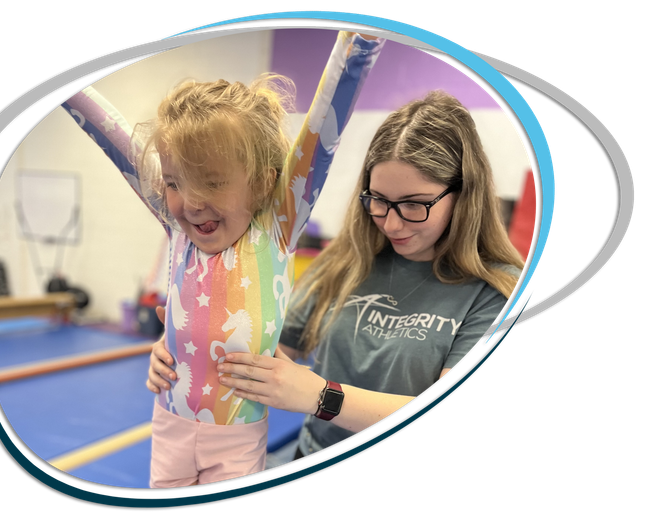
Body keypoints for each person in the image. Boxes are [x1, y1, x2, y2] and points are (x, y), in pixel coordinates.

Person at [62, 31, 385, 486]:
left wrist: (361, 38)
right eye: (174, 183)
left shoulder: (277, 226)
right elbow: (108, 133)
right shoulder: (177, 228)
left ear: (261, 181)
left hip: (236, 438)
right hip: (169, 425)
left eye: (211, 183)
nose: (190, 203)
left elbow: (324, 124)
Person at [146, 89, 526, 460]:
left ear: (464, 194)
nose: (391, 223)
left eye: (414, 205)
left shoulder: (496, 291)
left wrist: (320, 396)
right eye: (378, 200)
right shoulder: (346, 262)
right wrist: (183, 345)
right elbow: (271, 348)